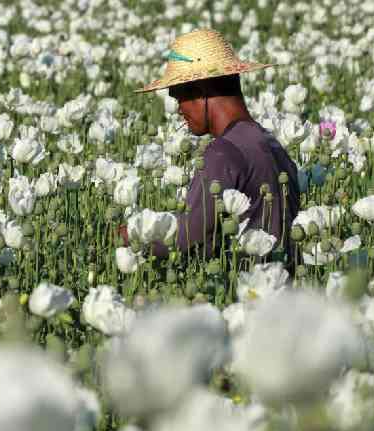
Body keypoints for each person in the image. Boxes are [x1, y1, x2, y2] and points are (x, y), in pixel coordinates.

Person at [119, 28, 300, 266]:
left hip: (246, 287)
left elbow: (194, 238)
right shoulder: (270, 142)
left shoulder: (223, 153)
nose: (178, 111)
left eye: (179, 98)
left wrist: (131, 236)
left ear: (200, 92)